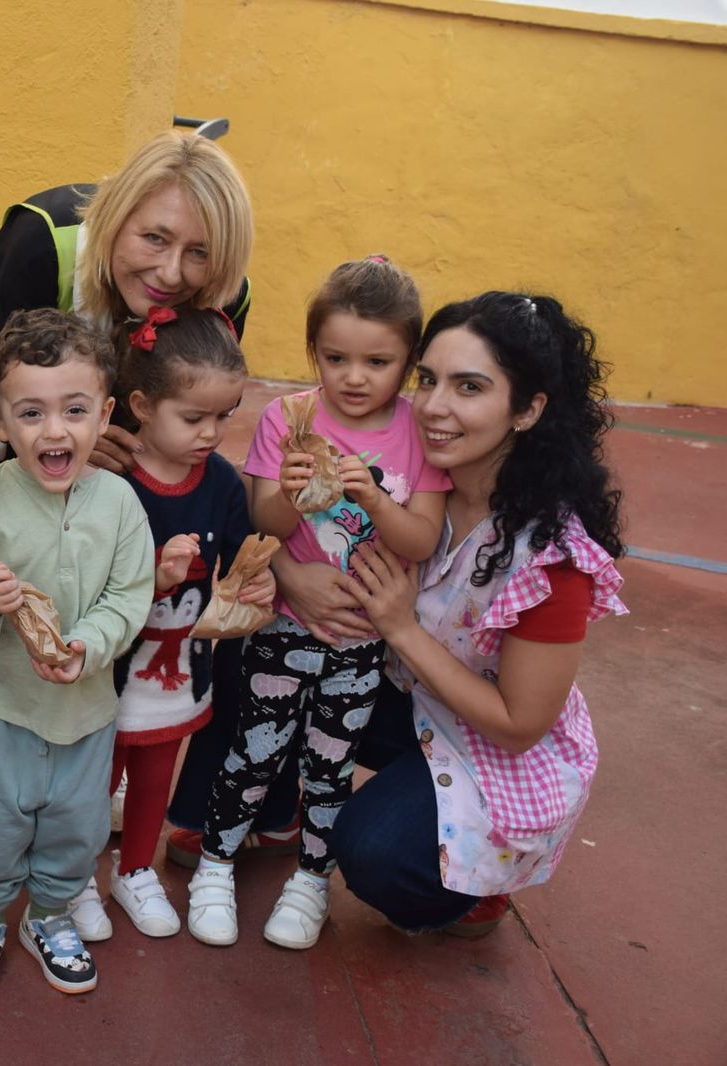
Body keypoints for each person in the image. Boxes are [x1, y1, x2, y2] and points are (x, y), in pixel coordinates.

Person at [0, 131, 289, 868]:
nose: (172, 272)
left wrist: (118, 441)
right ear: (116, 219)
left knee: (137, 564)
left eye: (199, 254)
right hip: (24, 430)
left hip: (121, 445)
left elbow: (183, 395)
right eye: (154, 238)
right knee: (6, 543)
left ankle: (111, 720)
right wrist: (62, 441)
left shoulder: (228, 294)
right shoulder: (41, 241)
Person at [335, 291, 625, 936]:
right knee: (274, 664)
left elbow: (518, 725)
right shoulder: (412, 486)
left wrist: (401, 627)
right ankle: (262, 818)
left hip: (496, 741)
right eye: (428, 380)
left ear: (527, 410)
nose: (434, 407)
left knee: (373, 853)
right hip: (412, 697)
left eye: (470, 387)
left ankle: (481, 884)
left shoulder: (552, 560)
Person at [187, 256, 449, 951]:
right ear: (314, 353)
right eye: (336, 357)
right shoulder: (290, 417)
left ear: (408, 362)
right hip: (286, 625)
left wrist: (371, 496)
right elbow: (266, 525)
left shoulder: (417, 435)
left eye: (377, 361)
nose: (354, 377)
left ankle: (311, 880)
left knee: (330, 764)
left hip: (362, 642)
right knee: (256, 748)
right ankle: (215, 863)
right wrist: (284, 491)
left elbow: (419, 539)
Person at [0, 309, 154, 1000]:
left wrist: (86, 646)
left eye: (74, 410)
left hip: (86, 708)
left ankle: (51, 913)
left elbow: (130, 595)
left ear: (106, 414)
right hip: (0, 705)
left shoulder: (121, 504)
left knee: (77, 821)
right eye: (30, 413)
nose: (54, 431)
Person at [66, 305, 276, 942]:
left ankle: (134, 870)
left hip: (178, 670)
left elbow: (242, 556)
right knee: (93, 778)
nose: (211, 433)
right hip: (107, 669)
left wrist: (255, 580)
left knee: (156, 772)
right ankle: (75, 879)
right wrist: (153, 574)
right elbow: (76, 572)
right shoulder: (109, 481)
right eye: (193, 418)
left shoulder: (219, 483)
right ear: (141, 405)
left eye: (224, 416)